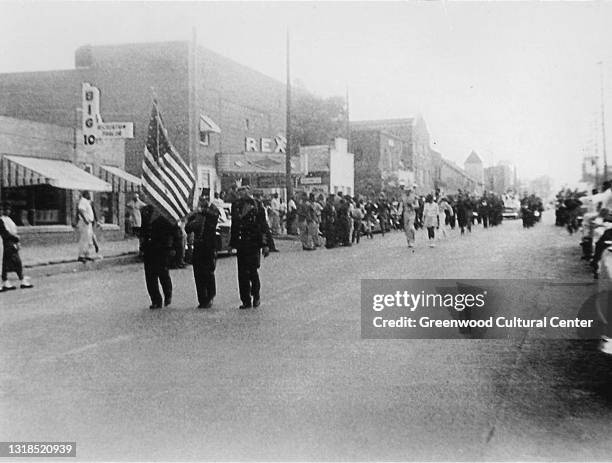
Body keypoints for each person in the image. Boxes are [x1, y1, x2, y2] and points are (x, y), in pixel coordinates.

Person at [230, 186, 271, 309]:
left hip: (253, 243)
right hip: (242, 243)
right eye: (240, 191)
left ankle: (256, 295)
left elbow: (263, 226)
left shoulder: (257, 205)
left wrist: (265, 245)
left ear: (249, 191)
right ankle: (245, 300)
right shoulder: (236, 205)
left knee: (253, 271)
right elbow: (235, 225)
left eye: (244, 190)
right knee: (242, 274)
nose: (242, 193)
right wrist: (232, 243)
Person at [140, 205, 182, 309]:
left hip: (162, 248)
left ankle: (168, 294)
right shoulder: (145, 211)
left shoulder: (165, 210)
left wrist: (174, 248)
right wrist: (142, 244)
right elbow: (143, 229)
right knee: (150, 276)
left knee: (163, 273)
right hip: (149, 249)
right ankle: (156, 300)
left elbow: (175, 231)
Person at [185, 189, 220, 309]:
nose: (203, 200)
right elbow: (188, 228)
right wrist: (192, 218)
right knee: (198, 273)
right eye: (202, 198)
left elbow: (214, 217)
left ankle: (210, 296)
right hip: (198, 246)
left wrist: (202, 211)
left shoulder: (213, 210)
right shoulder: (196, 213)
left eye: (206, 198)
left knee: (208, 272)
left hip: (209, 246)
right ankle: (202, 299)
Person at [0, 203, 33, 291]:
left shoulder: (8, 219)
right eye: (5, 209)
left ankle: (6, 281)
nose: (7, 211)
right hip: (7, 243)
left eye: (8, 209)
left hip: (9, 243)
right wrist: (15, 238)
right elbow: (5, 233)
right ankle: (21, 279)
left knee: (5, 264)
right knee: (16, 262)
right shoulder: (1, 220)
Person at [76, 191, 101, 261]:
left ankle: (87, 254)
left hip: (88, 223)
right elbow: (81, 210)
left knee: (88, 239)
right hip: (85, 223)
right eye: (89, 194)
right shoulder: (83, 201)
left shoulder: (87, 202)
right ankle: (81, 255)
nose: (90, 195)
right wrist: (85, 219)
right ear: (85, 194)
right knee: (84, 239)